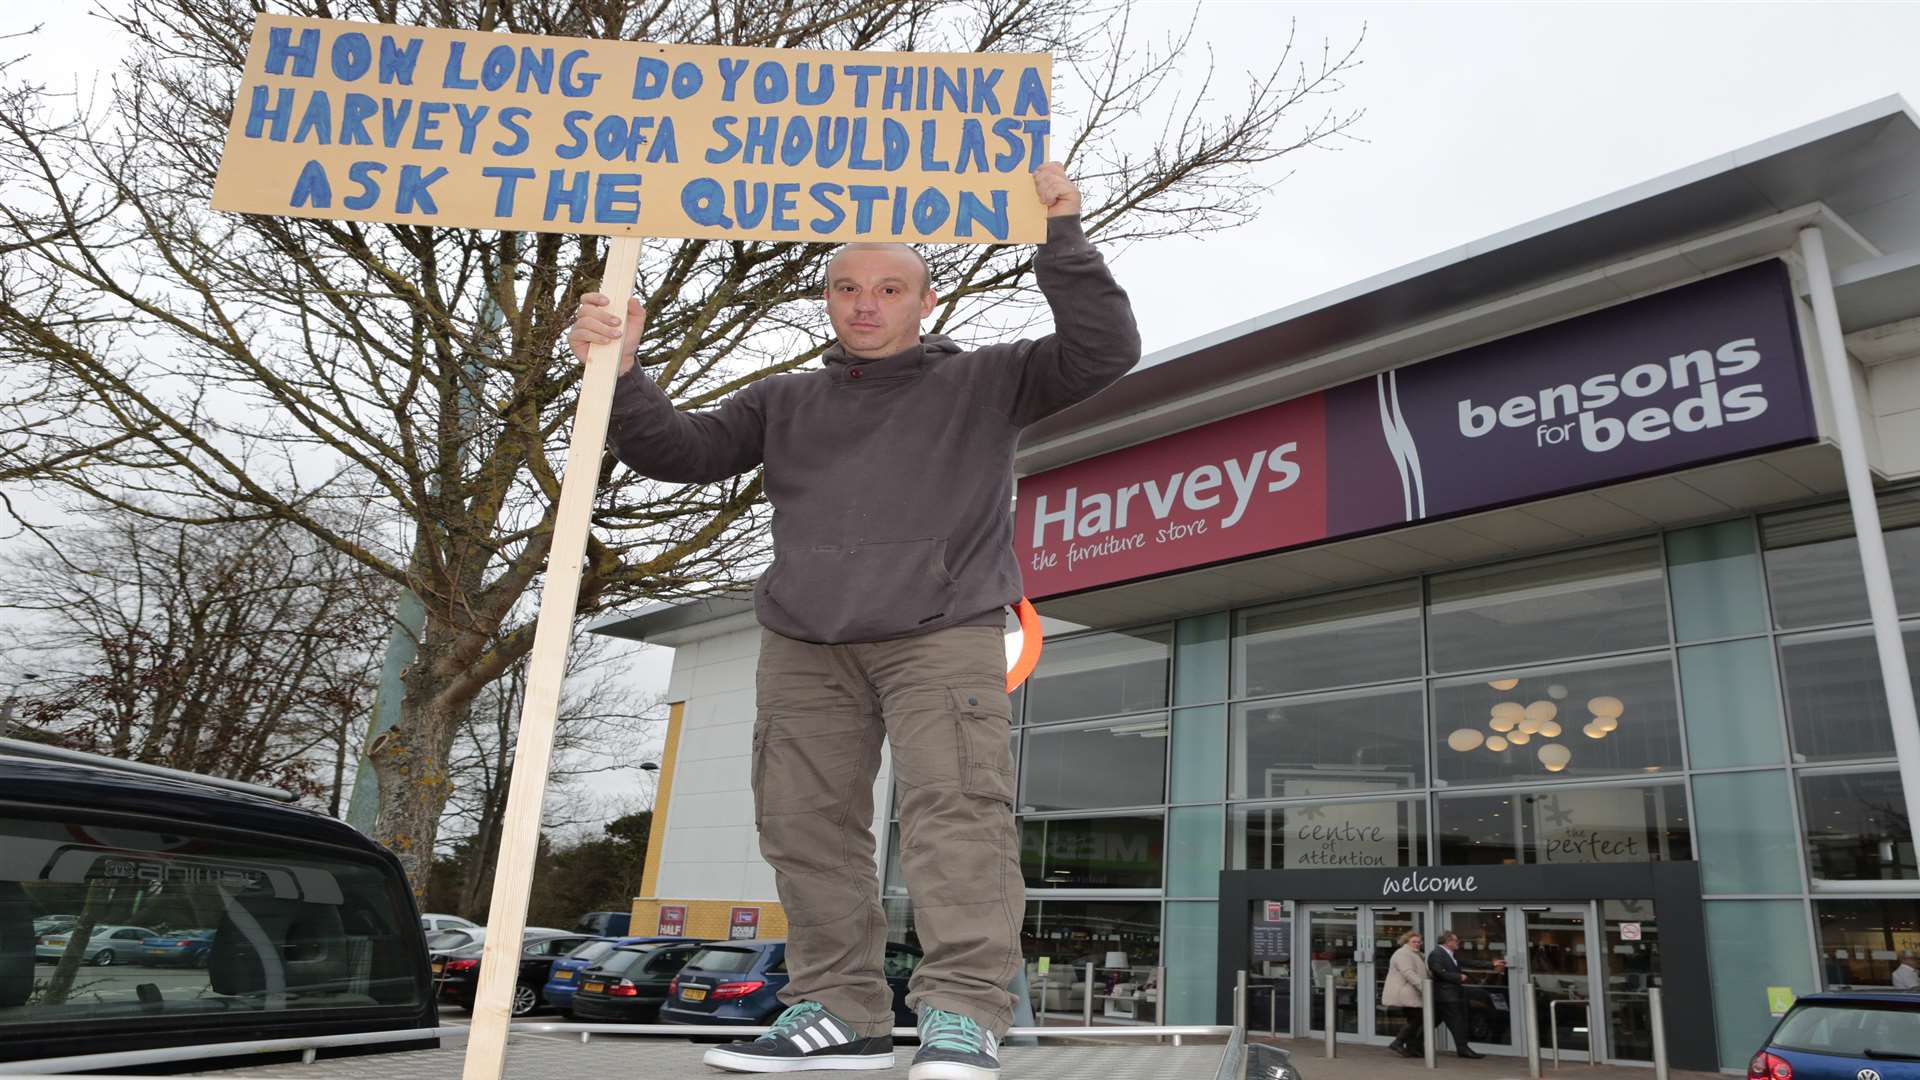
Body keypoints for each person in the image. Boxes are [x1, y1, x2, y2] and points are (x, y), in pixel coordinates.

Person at [569, 163, 1139, 1080]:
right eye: (846, 288)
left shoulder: (989, 381)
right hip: (804, 642)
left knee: (954, 816)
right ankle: (840, 1011)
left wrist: (1063, 235)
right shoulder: (785, 401)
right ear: (825, 299)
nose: (864, 304)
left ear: (926, 299)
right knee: (803, 826)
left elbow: (1103, 350)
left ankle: (962, 1016)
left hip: (941, 629)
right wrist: (623, 370)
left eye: (888, 288)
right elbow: (676, 453)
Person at [1428, 930, 1505, 1059]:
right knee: (1458, 1022)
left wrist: (1491, 964)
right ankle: (1463, 1049)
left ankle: (1405, 1042)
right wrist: (1458, 977)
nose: (1459, 943)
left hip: (1451, 994)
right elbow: (1438, 972)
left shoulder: (1449, 954)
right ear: (1448, 942)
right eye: (1456, 940)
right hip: (1446, 996)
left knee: (1434, 1022)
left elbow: (1467, 963)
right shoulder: (1437, 954)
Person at [1383, 930, 1428, 1058]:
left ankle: (1411, 1048)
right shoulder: (1403, 954)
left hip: (1412, 992)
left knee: (1415, 1019)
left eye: (1419, 942)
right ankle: (1398, 1042)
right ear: (1406, 942)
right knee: (1417, 1019)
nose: (1417, 944)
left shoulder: (1417, 954)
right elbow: (1409, 973)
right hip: (1407, 993)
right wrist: (1424, 987)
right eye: (1414, 941)